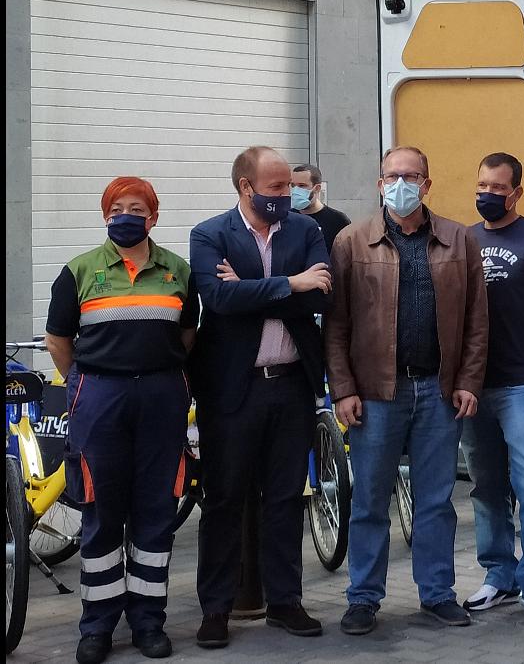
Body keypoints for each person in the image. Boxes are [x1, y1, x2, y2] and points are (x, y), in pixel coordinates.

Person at [326, 146, 488, 633]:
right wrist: (343, 389)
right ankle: (363, 598)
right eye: (392, 176)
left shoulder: (459, 240)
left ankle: (437, 593)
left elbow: (477, 321)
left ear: (427, 184)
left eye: (411, 176)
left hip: (438, 391)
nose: (401, 184)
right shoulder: (352, 241)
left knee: (436, 501)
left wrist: (468, 381)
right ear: (380, 184)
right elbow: (335, 325)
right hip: (376, 394)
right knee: (369, 500)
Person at [44, 177, 198, 664]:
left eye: (136, 208)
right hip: (100, 396)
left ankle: (149, 622)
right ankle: (98, 627)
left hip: (161, 396)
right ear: (104, 215)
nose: (125, 216)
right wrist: (87, 382)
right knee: (101, 511)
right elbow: (58, 342)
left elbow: (188, 335)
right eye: (116, 208)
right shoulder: (79, 271)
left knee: (156, 511)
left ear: (154, 217)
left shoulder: (178, 271)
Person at [188, 146, 333, 648]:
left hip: (292, 385)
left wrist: (253, 288)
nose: (287, 194)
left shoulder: (306, 230)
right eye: (276, 187)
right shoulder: (210, 234)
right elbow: (218, 300)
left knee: (287, 497)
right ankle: (216, 608)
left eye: (289, 185)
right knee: (224, 499)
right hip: (233, 389)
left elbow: (322, 294)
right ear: (246, 188)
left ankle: (285, 602)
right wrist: (290, 283)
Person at [459, 153, 524, 624]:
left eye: (498, 188)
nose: (488, 194)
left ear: (516, 192)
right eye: (482, 185)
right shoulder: (465, 240)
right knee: (486, 488)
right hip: (474, 387)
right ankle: (499, 575)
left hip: (523, 383)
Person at [291, 163, 352, 249]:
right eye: (293, 185)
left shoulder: (338, 220)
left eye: (302, 185)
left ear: (317, 188)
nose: (296, 190)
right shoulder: (286, 218)